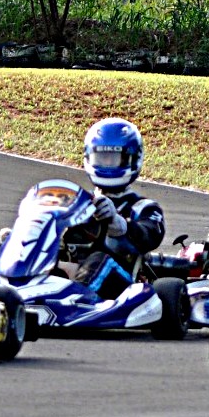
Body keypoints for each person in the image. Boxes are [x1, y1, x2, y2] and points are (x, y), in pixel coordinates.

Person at [61, 118, 167, 300]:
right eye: (102, 158)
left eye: (114, 159)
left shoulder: (145, 208)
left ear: (133, 159)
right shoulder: (77, 201)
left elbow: (148, 237)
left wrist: (117, 222)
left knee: (98, 261)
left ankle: (75, 301)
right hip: (70, 274)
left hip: (122, 286)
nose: (108, 165)